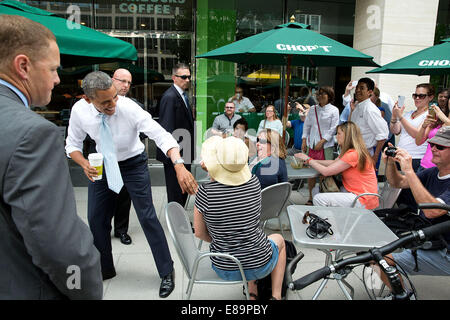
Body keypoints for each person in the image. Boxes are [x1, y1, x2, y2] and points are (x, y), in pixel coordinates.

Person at [66, 71, 198, 298]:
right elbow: (72, 145)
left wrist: (178, 165)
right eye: (105, 102)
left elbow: (162, 135)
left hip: (133, 164)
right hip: (103, 164)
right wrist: (84, 163)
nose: (113, 104)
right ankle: (105, 268)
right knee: (96, 218)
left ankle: (167, 271)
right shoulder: (79, 110)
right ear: (88, 99)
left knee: (147, 217)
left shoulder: (129, 108)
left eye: (114, 97)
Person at [0, 15, 102, 299]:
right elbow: (59, 247)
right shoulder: (34, 134)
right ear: (23, 66)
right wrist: (88, 291)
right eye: (54, 69)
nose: (58, 79)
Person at [194, 136, 286, 300]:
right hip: (259, 263)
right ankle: (276, 296)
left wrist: (223, 239)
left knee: (246, 245)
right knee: (278, 239)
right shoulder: (254, 182)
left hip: (225, 267)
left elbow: (200, 234)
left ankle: (253, 294)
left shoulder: (205, 192)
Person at [379, 126, 450, 289]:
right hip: (430, 239)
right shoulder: (433, 172)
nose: (433, 149)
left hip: (445, 251)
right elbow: (398, 182)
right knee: (372, 247)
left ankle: (404, 296)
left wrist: (409, 170)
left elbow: (432, 211)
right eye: (432, 144)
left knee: (382, 259)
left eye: (440, 146)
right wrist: (391, 163)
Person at [85, 68, 138, 245]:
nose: (125, 86)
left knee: (124, 196)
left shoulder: (133, 105)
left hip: (124, 159)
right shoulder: (87, 106)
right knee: (102, 199)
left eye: (129, 82)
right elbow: (82, 134)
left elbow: (141, 131)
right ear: (111, 80)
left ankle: (121, 230)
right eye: (122, 81)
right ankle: (102, 229)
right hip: (100, 159)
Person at [295, 121, 379, 209]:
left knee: (318, 198)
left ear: (347, 136)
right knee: (316, 190)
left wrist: (309, 160)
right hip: (361, 194)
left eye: (339, 134)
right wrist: (312, 161)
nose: (336, 137)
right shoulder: (353, 151)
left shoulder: (352, 154)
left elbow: (326, 172)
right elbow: (334, 163)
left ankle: (330, 221)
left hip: (362, 199)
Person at [157, 63, 195, 207]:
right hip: (176, 155)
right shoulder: (170, 97)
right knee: (176, 192)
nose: (187, 80)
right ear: (174, 78)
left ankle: (181, 221)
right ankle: (177, 224)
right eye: (184, 77)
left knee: (183, 190)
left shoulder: (182, 95)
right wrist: (175, 157)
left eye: (189, 77)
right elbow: (167, 129)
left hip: (185, 151)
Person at [301, 86, 339, 205]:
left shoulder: (334, 110)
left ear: (329, 96)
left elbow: (334, 128)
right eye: (318, 94)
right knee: (310, 173)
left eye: (323, 94)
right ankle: (311, 197)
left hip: (325, 145)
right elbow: (307, 125)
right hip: (311, 143)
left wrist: (322, 141)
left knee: (324, 173)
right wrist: (304, 140)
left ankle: (324, 198)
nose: (319, 96)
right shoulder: (312, 109)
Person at [390, 83, 432, 172]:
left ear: (430, 97)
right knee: (396, 185)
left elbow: (417, 134)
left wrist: (400, 117)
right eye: (415, 95)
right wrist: (394, 116)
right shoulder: (408, 114)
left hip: (416, 157)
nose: (417, 98)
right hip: (400, 155)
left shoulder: (429, 115)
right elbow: (396, 131)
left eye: (421, 96)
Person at [348, 78, 388, 168]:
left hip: (364, 153)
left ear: (370, 92)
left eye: (362, 88)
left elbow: (383, 134)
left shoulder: (370, 109)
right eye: (357, 87)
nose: (357, 90)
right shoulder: (358, 106)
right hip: (353, 152)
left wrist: (375, 157)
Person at [415, 92, 450, 171]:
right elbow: (418, 142)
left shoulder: (441, 116)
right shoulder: (438, 119)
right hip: (425, 166)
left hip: (443, 171)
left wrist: (442, 116)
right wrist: (424, 126)